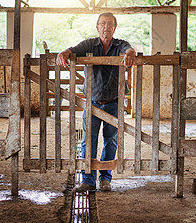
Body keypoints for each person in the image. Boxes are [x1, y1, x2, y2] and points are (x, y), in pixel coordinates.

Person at [56, 13, 136, 192]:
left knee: (111, 141)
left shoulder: (120, 45)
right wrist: (64, 53)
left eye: (110, 24)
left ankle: (105, 179)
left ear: (114, 27)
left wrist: (130, 54)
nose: (106, 27)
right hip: (92, 103)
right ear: (97, 27)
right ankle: (88, 180)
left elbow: (130, 49)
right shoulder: (89, 44)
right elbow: (72, 50)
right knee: (88, 141)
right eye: (103, 23)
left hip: (114, 102)